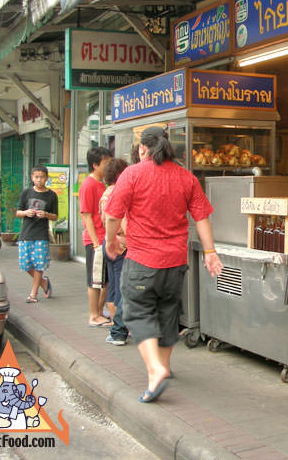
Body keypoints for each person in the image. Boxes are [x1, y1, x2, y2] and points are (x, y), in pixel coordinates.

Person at [103, 126, 223, 403]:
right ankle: (165, 367)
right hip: (175, 263)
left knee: (136, 311)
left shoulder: (132, 174)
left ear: (142, 149)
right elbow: (201, 217)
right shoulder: (185, 177)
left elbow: (112, 215)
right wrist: (210, 251)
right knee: (168, 312)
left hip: (142, 261)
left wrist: (110, 241)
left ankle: (155, 369)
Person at [79, 146, 112, 327]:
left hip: (103, 238)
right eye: (105, 163)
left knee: (104, 280)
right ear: (94, 165)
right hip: (96, 240)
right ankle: (93, 315)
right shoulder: (89, 185)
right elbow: (86, 215)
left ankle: (99, 312)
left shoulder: (102, 184)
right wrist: (95, 242)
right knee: (94, 280)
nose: (108, 167)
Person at [99, 158, 130, 346]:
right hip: (120, 244)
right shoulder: (119, 192)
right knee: (121, 288)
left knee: (112, 287)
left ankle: (115, 326)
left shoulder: (105, 193)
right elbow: (119, 219)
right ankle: (119, 329)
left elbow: (104, 218)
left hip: (108, 242)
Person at [16, 165, 58, 303]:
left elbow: (55, 216)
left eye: (42, 177)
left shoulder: (51, 195)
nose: (39, 180)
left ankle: (33, 294)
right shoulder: (26, 193)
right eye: (36, 177)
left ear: (47, 178)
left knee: (39, 265)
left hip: (41, 234)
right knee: (26, 265)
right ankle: (44, 283)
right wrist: (25, 213)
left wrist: (46, 214)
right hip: (26, 233)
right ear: (32, 177)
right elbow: (18, 212)